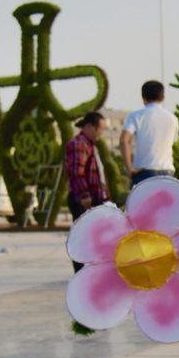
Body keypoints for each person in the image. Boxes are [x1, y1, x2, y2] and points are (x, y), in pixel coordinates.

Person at [64, 112, 109, 272]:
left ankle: (90, 271)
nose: (100, 133)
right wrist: (84, 195)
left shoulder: (89, 145)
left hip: (92, 197)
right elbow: (77, 171)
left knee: (93, 238)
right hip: (82, 198)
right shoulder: (79, 144)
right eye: (100, 129)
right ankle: (81, 272)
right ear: (89, 126)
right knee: (81, 237)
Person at [119, 80, 179, 187]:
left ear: (143, 96)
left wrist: (129, 168)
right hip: (167, 172)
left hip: (143, 172)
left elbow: (123, 140)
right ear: (163, 97)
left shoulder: (136, 116)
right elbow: (174, 143)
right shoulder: (173, 119)